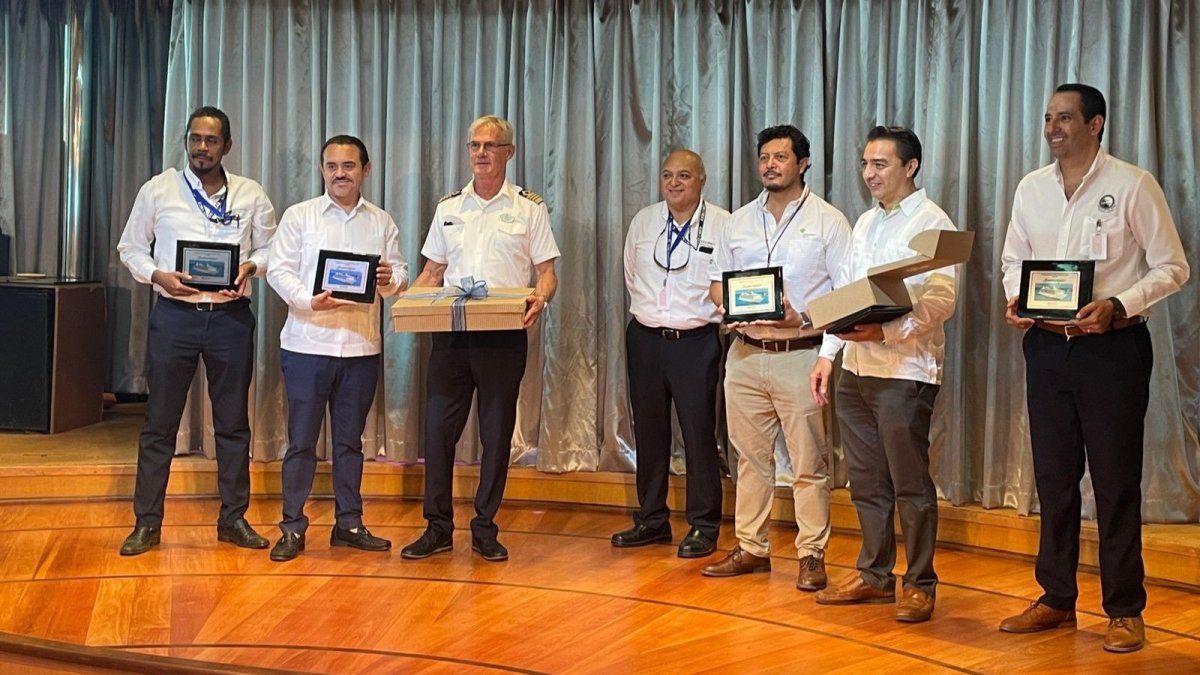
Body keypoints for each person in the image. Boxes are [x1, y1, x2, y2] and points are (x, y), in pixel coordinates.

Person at [997, 84, 1189, 653]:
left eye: (1065, 118)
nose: (1053, 127)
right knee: (1053, 479)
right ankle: (1056, 598)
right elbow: (1013, 260)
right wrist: (1018, 298)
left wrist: (1120, 304)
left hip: (1113, 350)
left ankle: (1125, 609)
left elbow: (1173, 267)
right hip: (1047, 347)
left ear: (1096, 123)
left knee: (1114, 481)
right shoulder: (1031, 189)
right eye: (1048, 117)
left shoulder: (1132, 184)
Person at [810, 126, 959, 623]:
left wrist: (887, 335)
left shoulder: (932, 221)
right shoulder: (866, 222)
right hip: (854, 369)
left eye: (880, 165)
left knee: (910, 483)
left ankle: (920, 583)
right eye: (865, 164)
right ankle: (875, 575)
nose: (869, 174)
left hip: (903, 370)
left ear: (909, 167)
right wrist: (828, 355)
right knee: (866, 481)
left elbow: (941, 300)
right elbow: (847, 295)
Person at [115, 106, 276, 555]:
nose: (201, 147)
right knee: (159, 424)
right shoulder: (159, 189)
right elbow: (130, 246)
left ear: (227, 145)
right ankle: (147, 523)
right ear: (187, 142)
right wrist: (156, 276)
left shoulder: (250, 194)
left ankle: (233, 519)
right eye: (194, 139)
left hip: (229, 319)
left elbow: (272, 247)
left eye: (211, 140)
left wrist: (250, 266)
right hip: (175, 318)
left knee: (232, 425)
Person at [400, 115, 560, 563]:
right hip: (451, 338)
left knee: (495, 435)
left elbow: (546, 274)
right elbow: (432, 272)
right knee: (437, 435)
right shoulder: (449, 207)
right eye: (474, 145)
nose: (482, 153)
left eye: (491, 145)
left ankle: (485, 527)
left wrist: (540, 300)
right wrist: (406, 308)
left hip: (503, 337)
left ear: (509, 152)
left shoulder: (529, 208)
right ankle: (438, 527)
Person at [700, 125, 851, 592]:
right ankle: (751, 548)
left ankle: (811, 554)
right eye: (764, 157)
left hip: (800, 355)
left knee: (809, 463)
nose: (770, 165)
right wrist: (731, 306)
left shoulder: (830, 221)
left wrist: (801, 320)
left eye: (780, 157)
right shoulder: (737, 221)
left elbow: (847, 299)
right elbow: (714, 284)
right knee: (748, 459)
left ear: (803, 163)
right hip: (744, 356)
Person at [264, 134, 408, 562]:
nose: (340, 173)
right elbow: (278, 270)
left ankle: (349, 524)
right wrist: (310, 300)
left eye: (349, 166)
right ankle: (292, 527)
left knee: (350, 444)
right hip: (307, 345)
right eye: (332, 166)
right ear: (323, 170)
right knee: (301, 443)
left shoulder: (381, 222)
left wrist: (390, 280)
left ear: (365, 170)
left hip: (361, 350)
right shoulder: (299, 216)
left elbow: (399, 272)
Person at [611, 150, 730, 559]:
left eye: (684, 175)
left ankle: (703, 524)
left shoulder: (723, 224)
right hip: (645, 338)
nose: (675, 183)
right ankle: (652, 519)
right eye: (667, 175)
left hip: (696, 342)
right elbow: (631, 274)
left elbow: (727, 286)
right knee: (649, 432)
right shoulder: (644, 220)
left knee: (699, 435)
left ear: (702, 180)